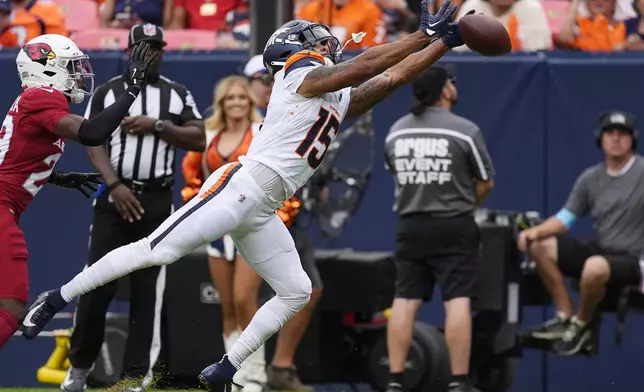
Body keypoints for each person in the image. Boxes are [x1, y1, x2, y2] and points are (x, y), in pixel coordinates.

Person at [21, 2, 470, 390]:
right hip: (242, 187)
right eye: (314, 38)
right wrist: (421, 34)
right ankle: (57, 296)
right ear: (296, 47)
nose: (326, 41)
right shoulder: (299, 74)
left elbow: (386, 79)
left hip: (265, 207)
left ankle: (226, 368)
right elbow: (364, 65)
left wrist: (440, 45)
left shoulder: (328, 90)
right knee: (156, 251)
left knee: (296, 291)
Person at [60, 24, 205, 391]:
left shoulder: (176, 93)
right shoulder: (108, 92)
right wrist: (114, 185)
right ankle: (79, 368)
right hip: (114, 197)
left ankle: (134, 377)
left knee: (147, 289)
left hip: (156, 198)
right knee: (96, 284)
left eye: (156, 48)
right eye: (143, 48)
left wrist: (158, 126)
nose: (150, 54)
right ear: (129, 50)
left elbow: (200, 137)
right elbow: (92, 140)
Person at [0, 33, 155, 349]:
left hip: (6, 205)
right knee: (11, 306)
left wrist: (54, 176)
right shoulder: (42, 95)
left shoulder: (33, 100)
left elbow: (14, 155)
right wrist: (133, 88)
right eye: (71, 67)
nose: (78, 74)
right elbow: (93, 133)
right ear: (45, 68)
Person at [181, 76, 324, 391]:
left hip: (251, 223)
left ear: (250, 101)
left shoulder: (262, 132)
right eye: (229, 98)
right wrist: (201, 215)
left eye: (241, 98)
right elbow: (193, 179)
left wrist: (278, 215)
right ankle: (235, 373)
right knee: (228, 304)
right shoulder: (208, 136)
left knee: (246, 299)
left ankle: (254, 373)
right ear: (221, 103)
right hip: (219, 227)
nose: (235, 103)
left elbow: (283, 177)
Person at [384, 65, 494, 392]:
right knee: (457, 299)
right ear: (446, 90)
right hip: (455, 224)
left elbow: (396, 173)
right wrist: (465, 205)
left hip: (410, 224)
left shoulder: (397, 131)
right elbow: (486, 181)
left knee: (405, 300)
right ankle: (459, 381)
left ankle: (394, 379)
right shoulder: (464, 131)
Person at [520, 111, 644, 356]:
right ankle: (564, 315)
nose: (616, 139)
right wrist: (533, 232)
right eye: (610, 134)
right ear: (601, 139)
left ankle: (581, 325)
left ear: (633, 140)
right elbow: (566, 218)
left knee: (594, 267)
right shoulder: (590, 178)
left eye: (622, 134)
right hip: (603, 251)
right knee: (541, 246)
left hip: (633, 260)